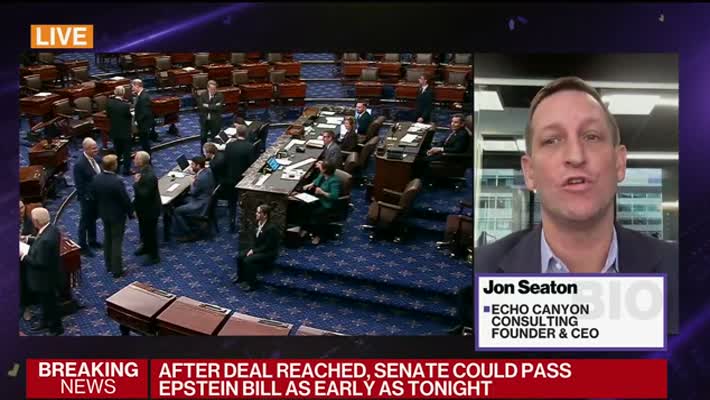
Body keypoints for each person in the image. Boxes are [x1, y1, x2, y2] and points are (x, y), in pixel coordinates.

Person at [474, 76, 678, 334]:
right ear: (530, 172)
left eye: (591, 136)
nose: (576, 156)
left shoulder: (683, 269)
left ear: (619, 163)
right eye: (552, 140)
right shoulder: (480, 271)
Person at [20, 207, 63, 335]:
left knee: (50, 304)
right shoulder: (51, 229)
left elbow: (39, 263)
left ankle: (56, 328)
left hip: (44, 279)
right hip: (48, 275)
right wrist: (27, 239)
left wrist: (22, 255)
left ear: (36, 222)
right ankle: (45, 321)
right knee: (45, 303)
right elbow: (39, 240)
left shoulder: (46, 240)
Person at [91, 155, 134, 278]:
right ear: (113, 166)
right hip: (117, 215)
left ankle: (108, 265)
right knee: (116, 241)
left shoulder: (96, 178)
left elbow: (94, 196)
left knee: (107, 238)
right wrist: (130, 213)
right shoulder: (117, 181)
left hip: (104, 213)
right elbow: (124, 199)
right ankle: (117, 270)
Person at [233, 204, 279, 291]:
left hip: (267, 252)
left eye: (258, 212)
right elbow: (254, 239)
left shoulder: (271, 228)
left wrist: (254, 251)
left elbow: (267, 246)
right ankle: (241, 276)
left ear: (265, 215)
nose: (256, 214)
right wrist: (251, 248)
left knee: (248, 260)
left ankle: (251, 283)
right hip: (257, 248)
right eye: (257, 212)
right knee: (240, 256)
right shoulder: (257, 223)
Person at [173, 156, 216, 242]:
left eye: (192, 164)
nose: (191, 166)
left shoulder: (200, 179)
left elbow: (192, 192)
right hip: (206, 199)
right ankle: (193, 222)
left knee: (177, 211)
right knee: (180, 200)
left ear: (198, 166)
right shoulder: (208, 170)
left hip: (200, 203)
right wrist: (195, 175)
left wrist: (192, 182)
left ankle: (190, 234)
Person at [299, 160, 341, 245]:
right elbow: (316, 181)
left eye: (321, 166)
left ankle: (318, 235)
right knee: (303, 207)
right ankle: (306, 228)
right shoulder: (322, 175)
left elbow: (334, 196)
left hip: (326, 204)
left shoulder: (334, 181)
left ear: (325, 170)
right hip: (317, 199)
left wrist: (322, 192)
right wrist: (311, 184)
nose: (319, 167)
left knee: (316, 215)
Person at [73, 137, 102, 257]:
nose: (96, 150)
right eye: (93, 148)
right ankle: (82, 246)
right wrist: (87, 197)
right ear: (86, 149)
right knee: (84, 222)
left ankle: (92, 241)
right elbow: (79, 185)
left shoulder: (96, 158)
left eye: (96, 147)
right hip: (87, 199)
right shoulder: (79, 164)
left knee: (92, 219)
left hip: (96, 197)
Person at [132, 151, 160, 265]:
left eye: (135, 158)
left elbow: (145, 194)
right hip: (143, 209)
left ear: (141, 161)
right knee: (144, 231)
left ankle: (154, 256)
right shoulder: (143, 170)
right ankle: (145, 247)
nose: (134, 160)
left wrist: (136, 184)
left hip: (150, 210)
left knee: (150, 233)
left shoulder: (149, 175)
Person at [224, 125, 254, 232]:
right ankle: (244, 225)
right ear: (246, 134)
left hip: (230, 178)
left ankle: (231, 222)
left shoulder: (229, 146)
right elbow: (251, 164)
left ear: (236, 133)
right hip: (243, 180)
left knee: (232, 202)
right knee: (244, 203)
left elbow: (225, 161)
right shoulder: (249, 147)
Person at [106, 86, 133, 175]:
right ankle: (126, 170)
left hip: (115, 132)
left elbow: (108, 116)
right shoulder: (125, 105)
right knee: (126, 152)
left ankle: (116, 169)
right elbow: (129, 117)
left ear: (115, 92)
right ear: (123, 93)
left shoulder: (109, 103)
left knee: (117, 151)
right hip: (125, 133)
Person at [19, 201, 36, 322]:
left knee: (24, 281)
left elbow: (37, 238)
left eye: (21, 207)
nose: (20, 211)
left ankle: (26, 307)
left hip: (26, 256)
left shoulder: (29, 221)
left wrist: (26, 239)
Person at [197, 80, 224, 146]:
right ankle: (203, 151)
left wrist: (207, 106)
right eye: (212, 89)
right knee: (203, 137)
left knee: (215, 138)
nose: (214, 91)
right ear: (208, 88)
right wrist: (213, 106)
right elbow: (201, 107)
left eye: (215, 89)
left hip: (215, 121)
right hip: (204, 120)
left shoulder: (220, 95)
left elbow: (218, 108)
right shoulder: (203, 95)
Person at [131, 79, 154, 153]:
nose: (132, 89)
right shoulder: (141, 94)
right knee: (144, 142)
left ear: (137, 86)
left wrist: (137, 121)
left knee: (145, 143)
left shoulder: (143, 97)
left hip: (144, 123)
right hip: (143, 122)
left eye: (133, 86)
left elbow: (144, 112)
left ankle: (148, 157)